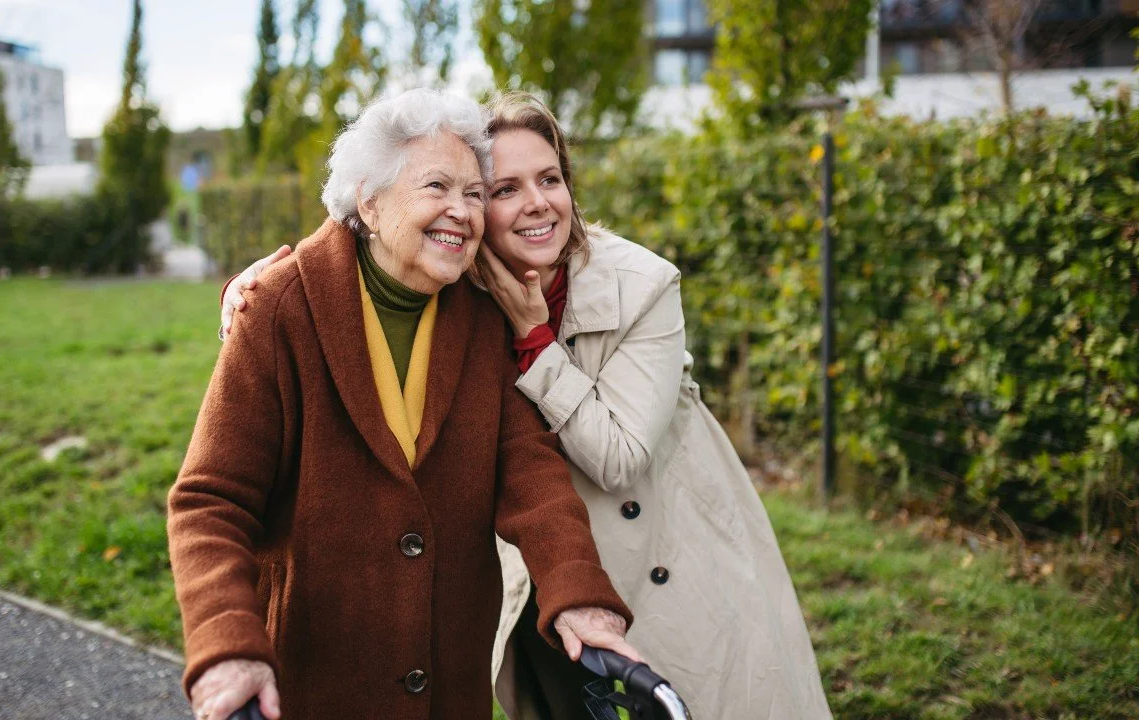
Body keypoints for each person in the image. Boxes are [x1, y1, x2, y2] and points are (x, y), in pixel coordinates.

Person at [220, 92, 832, 720]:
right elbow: (373, 239)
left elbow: (613, 458)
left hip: (669, 561)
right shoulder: (462, 284)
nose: (537, 202)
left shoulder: (642, 285)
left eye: (551, 179)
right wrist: (254, 294)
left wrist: (535, 343)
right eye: (503, 188)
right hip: (548, 569)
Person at [169, 88, 640, 720]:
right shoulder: (279, 308)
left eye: (474, 193)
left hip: (448, 683)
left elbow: (530, 471)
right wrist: (227, 644)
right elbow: (211, 501)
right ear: (369, 198)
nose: (463, 211)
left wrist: (579, 592)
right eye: (437, 187)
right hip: (311, 683)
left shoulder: (478, 314)